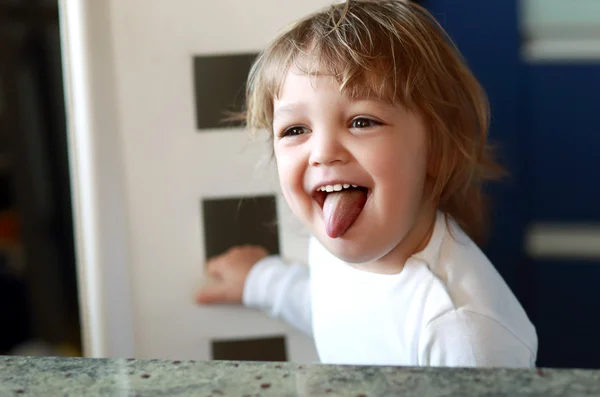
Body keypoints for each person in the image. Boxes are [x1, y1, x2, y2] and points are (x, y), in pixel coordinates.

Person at [196, 0, 538, 367]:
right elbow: (335, 309)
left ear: (436, 152)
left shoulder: (462, 334)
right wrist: (261, 281)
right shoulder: (335, 243)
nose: (323, 153)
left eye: (362, 122)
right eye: (296, 130)